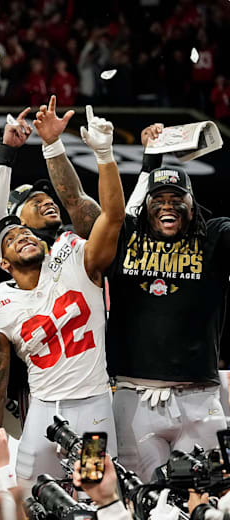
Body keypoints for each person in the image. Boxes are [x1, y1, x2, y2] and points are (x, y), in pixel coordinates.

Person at [0, 106, 125, 490]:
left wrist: (95, 155)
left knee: (98, 494)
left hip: (93, 410)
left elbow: (110, 214)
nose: (22, 235)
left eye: (25, 232)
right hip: (42, 414)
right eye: (11, 239)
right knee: (28, 499)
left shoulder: (73, 256)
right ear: (4, 264)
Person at [102, 123, 230, 481]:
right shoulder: (126, 237)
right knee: (143, 498)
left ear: (194, 206)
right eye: (158, 200)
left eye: (177, 200)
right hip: (134, 396)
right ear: (146, 205)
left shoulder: (215, 235)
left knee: (208, 498)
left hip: (200, 398)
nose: (167, 206)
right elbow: (112, 212)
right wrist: (149, 157)